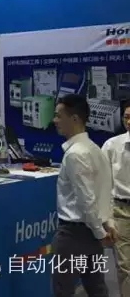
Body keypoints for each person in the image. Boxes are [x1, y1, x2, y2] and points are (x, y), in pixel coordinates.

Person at [52, 93, 114, 297]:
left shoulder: (75, 154)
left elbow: (86, 199)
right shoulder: (94, 149)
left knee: (63, 290)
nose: (55, 121)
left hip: (74, 234)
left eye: (59, 116)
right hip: (92, 233)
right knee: (97, 288)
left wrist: (100, 232)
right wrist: (105, 225)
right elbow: (105, 191)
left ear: (75, 119)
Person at [102, 100, 130, 296]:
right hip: (122, 211)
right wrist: (107, 218)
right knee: (125, 267)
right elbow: (102, 184)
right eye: (126, 117)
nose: (129, 121)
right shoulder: (112, 146)